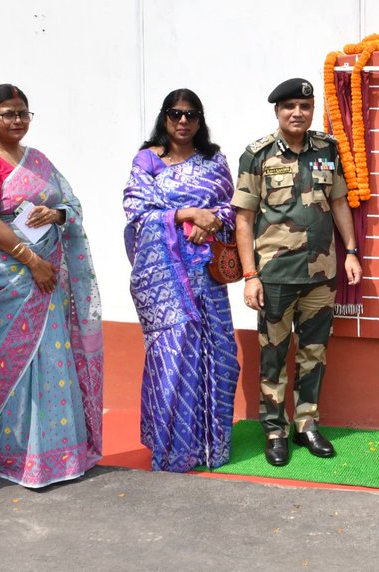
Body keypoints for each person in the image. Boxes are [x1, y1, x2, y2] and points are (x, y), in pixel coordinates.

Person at [0, 84, 103, 487]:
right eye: (8, 114)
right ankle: (17, 457)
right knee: (17, 362)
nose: (17, 120)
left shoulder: (38, 159)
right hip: (9, 275)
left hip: (48, 274)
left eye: (23, 113)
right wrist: (34, 261)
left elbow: (71, 205)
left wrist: (55, 214)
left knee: (53, 358)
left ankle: (61, 456)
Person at [233, 78, 361, 467]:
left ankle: (306, 424)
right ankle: (274, 430)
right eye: (289, 106)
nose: (297, 113)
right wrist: (250, 274)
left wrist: (351, 251)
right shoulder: (257, 155)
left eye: (304, 106)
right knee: (273, 355)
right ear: (277, 111)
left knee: (314, 353)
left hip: (321, 273)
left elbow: (338, 202)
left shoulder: (327, 148)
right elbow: (244, 218)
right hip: (274, 275)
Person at [124, 89, 240, 473]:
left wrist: (212, 222)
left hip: (206, 276)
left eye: (191, 114)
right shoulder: (147, 161)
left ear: (200, 119)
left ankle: (211, 445)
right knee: (171, 359)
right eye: (176, 114)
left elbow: (231, 207)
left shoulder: (214, 160)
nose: (184, 121)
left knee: (219, 355)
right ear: (165, 117)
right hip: (166, 283)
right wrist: (187, 213)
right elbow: (137, 213)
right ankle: (173, 447)